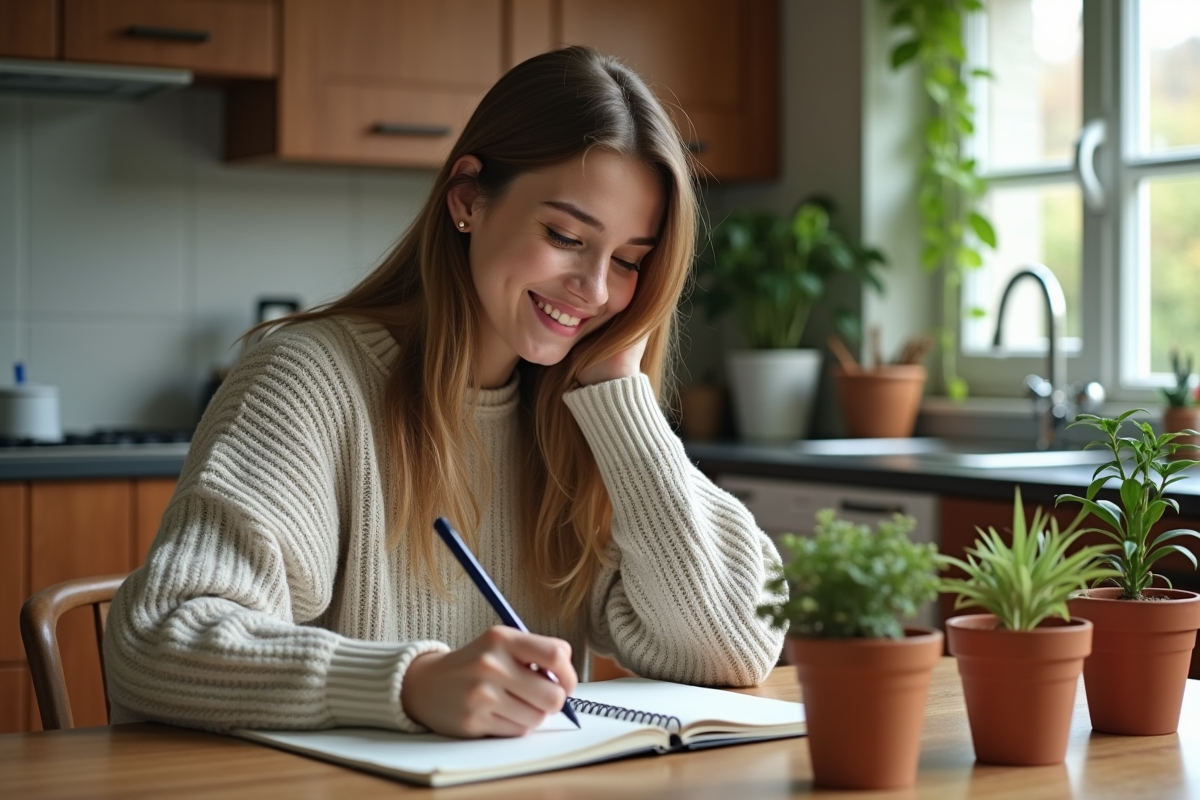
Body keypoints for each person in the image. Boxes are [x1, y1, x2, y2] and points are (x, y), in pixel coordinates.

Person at [104, 46, 785, 739]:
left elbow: (734, 648)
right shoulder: (310, 378)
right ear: (467, 199)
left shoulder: (580, 420)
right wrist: (409, 684)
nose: (597, 290)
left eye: (630, 261)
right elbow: (161, 635)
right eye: (565, 235)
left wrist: (622, 401)